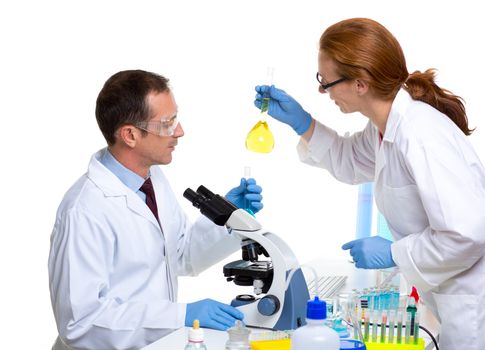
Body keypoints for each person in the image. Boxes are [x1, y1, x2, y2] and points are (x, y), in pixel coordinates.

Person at [254, 18, 485, 350]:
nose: (323, 91)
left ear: (360, 83)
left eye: (326, 81)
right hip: (451, 297)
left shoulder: (420, 133)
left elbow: (468, 233)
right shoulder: (385, 126)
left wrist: (393, 252)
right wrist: (301, 122)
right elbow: (350, 161)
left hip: (471, 304)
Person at [48, 69, 264, 350]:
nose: (180, 131)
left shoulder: (151, 180)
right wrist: (181, 315)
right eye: (167, 123)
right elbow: (80, 323)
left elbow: (179, 255)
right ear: (130, 135)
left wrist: (230, 216)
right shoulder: (84, 211)